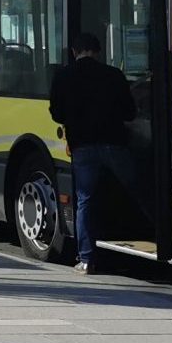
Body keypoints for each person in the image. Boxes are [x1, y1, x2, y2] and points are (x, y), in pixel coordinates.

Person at [48, 31, 136, 274]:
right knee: (137, 188)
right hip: (114, 144)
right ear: (98, 52)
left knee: (84, 200)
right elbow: (130, 112)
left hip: (82, 147)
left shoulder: (63, 76)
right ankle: (156, 234)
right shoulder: (113, 75)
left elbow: (56, 113)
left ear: (75, 52)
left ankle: (86, 259)